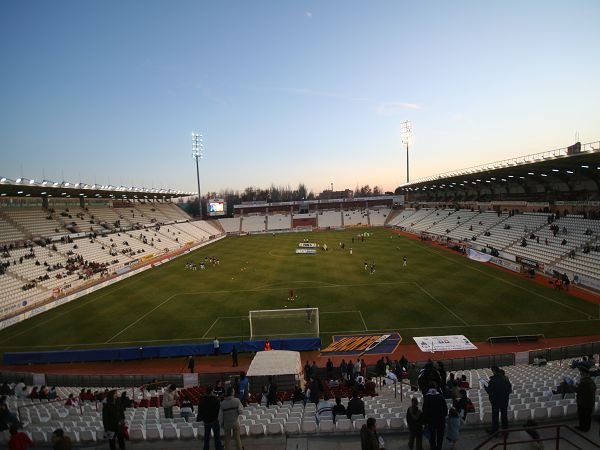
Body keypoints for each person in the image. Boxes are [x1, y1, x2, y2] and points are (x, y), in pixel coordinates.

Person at [484, 366, 512, 434]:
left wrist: (485, 386)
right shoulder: (506, 378)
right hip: (505, 400)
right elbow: (509, 390)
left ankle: (495, 432)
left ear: (493, 371)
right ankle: (505, 431)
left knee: (495, 416)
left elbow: (489, 391)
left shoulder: (493, 380)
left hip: (495, 401)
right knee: (504, 416)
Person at [423, 382, 447, 450]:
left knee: (432, 435)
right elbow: (445, 408)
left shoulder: (427, 398)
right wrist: (444, 416)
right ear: (435, 387)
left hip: (431, 420)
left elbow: (424, 410)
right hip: (440, 419)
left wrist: (425, 421)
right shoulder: (440, 396)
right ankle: (439, 447)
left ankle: (433, 447)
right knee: (440, 435)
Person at [575, 366, 597, 431]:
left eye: (581, 373)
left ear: (585, 373)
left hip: (584, 403)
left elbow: (578, 390)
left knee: (583, 416)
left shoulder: (584, 382)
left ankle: (583, 428)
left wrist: (574, 386)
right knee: (588, 416)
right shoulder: (590, 381)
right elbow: (593, 388)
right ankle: (587, 427)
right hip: (590, 402)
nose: (580, 374)